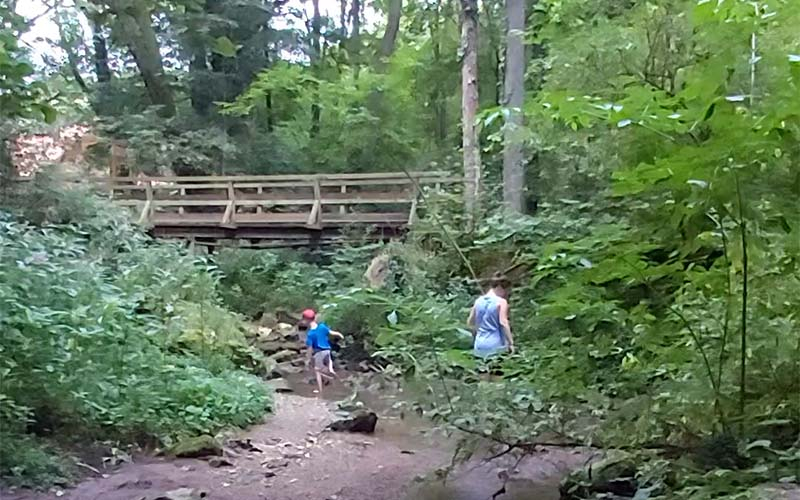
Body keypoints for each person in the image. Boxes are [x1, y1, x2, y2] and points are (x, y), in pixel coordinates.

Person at [467, 272, 514, 359]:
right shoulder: (501, 302)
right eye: (505, 291)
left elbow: (470, 322)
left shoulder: (478, 301)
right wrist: (511, 343)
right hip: (496, 345)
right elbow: (503, 322)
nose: (505, 294)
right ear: (499, 287)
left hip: (479, 344)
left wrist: (478, 332)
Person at [301, 309, 344, 396]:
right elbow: (332, 333)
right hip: (328, 350)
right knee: (328, 368)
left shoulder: (311, 333)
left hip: (319, 352)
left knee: (317, 370)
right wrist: (340, 335)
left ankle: (320, 390)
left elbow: (310, 348)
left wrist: (307, 359)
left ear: (306, 320)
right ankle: (334, 375)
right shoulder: (322, 327)